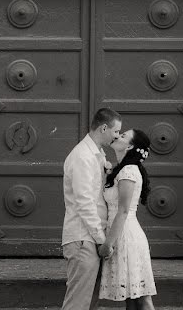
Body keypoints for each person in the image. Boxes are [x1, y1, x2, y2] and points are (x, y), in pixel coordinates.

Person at [61, 107, 122, 310]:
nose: (117, 136)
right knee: (77, 304)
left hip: (89, 238)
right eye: (115, 131)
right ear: (104, 128)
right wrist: (102, 239)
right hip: (82, 239)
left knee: (89, 303)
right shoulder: (82, 157)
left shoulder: (96, 155)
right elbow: (85, 203)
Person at [98, 129, 157, 310]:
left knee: (142, 299)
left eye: (123, 136)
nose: (117, 136)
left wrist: (107, 244)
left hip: (127, 236)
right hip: (120, 234)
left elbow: (123, 211)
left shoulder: (129, 171)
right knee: (131, 300)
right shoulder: (121, 170)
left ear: (130, 146)